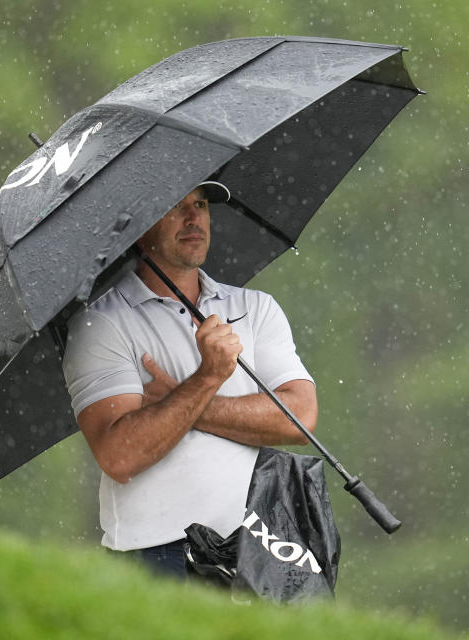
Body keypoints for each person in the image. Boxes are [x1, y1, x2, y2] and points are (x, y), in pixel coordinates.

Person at [61, 180, 317, 579]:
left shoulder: (254, 307)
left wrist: (183, 403)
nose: (194, 217)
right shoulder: (101, 323)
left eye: (200, 204)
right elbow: (119, 456)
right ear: (138, 225)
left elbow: (298, 417)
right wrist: (207, 378)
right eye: (174, 206)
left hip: (258, 544)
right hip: (157, 555)